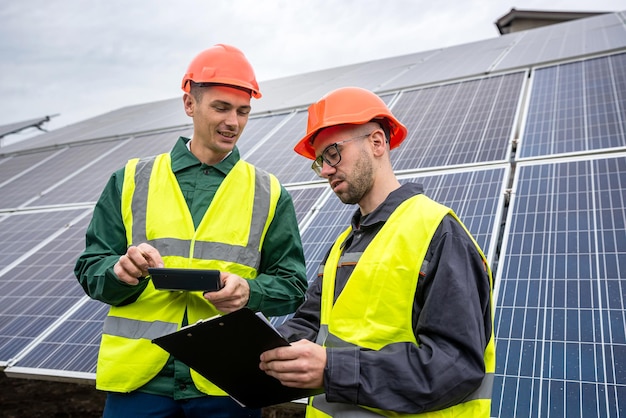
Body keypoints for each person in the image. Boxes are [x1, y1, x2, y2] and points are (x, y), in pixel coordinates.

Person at [74, 44, 308, 418]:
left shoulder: (270, 193)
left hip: (227, 381)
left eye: (243, 111)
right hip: (140, 382)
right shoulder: (131, 179)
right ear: (189, 104)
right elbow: (91, 269)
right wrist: (119, 273)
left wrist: (250, 291)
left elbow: (293, 286)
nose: (233, 121)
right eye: (221, 107)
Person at [259, 86, 495, 417]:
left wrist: (333, 369)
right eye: (320, 161)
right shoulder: (344, 244)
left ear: (377, 143)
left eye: (334, 153)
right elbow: (311, 324)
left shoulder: (438, 233)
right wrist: (249, 349)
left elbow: (454, 366)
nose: (326, 170)